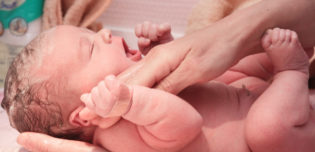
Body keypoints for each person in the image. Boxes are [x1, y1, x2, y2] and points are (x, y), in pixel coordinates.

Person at [15, 0, 315, 151]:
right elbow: (187, 123)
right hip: (258, 133)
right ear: (84, 113)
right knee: (268, 128)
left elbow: (190, 80)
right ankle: (293, 70)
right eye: (91, 48)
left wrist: (164, 49)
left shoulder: (136, 89)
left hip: (241, 92)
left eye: (91, 33)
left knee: (235, 66)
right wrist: (132, 102)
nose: (104, 33)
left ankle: (281, 58)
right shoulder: (116, 134)